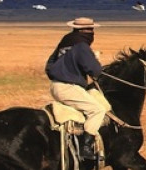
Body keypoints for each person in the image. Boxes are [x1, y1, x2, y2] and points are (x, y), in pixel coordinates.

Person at [45, 17, 108, 168]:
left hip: (56, 85)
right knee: (98, 109)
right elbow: (95, 70)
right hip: (69, 88)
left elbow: (49, 65)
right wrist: (94, 59)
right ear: (86, 31)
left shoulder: (65, 41)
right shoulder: (81, 45)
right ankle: (86, 148)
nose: (92, 33)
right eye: (91, 30)